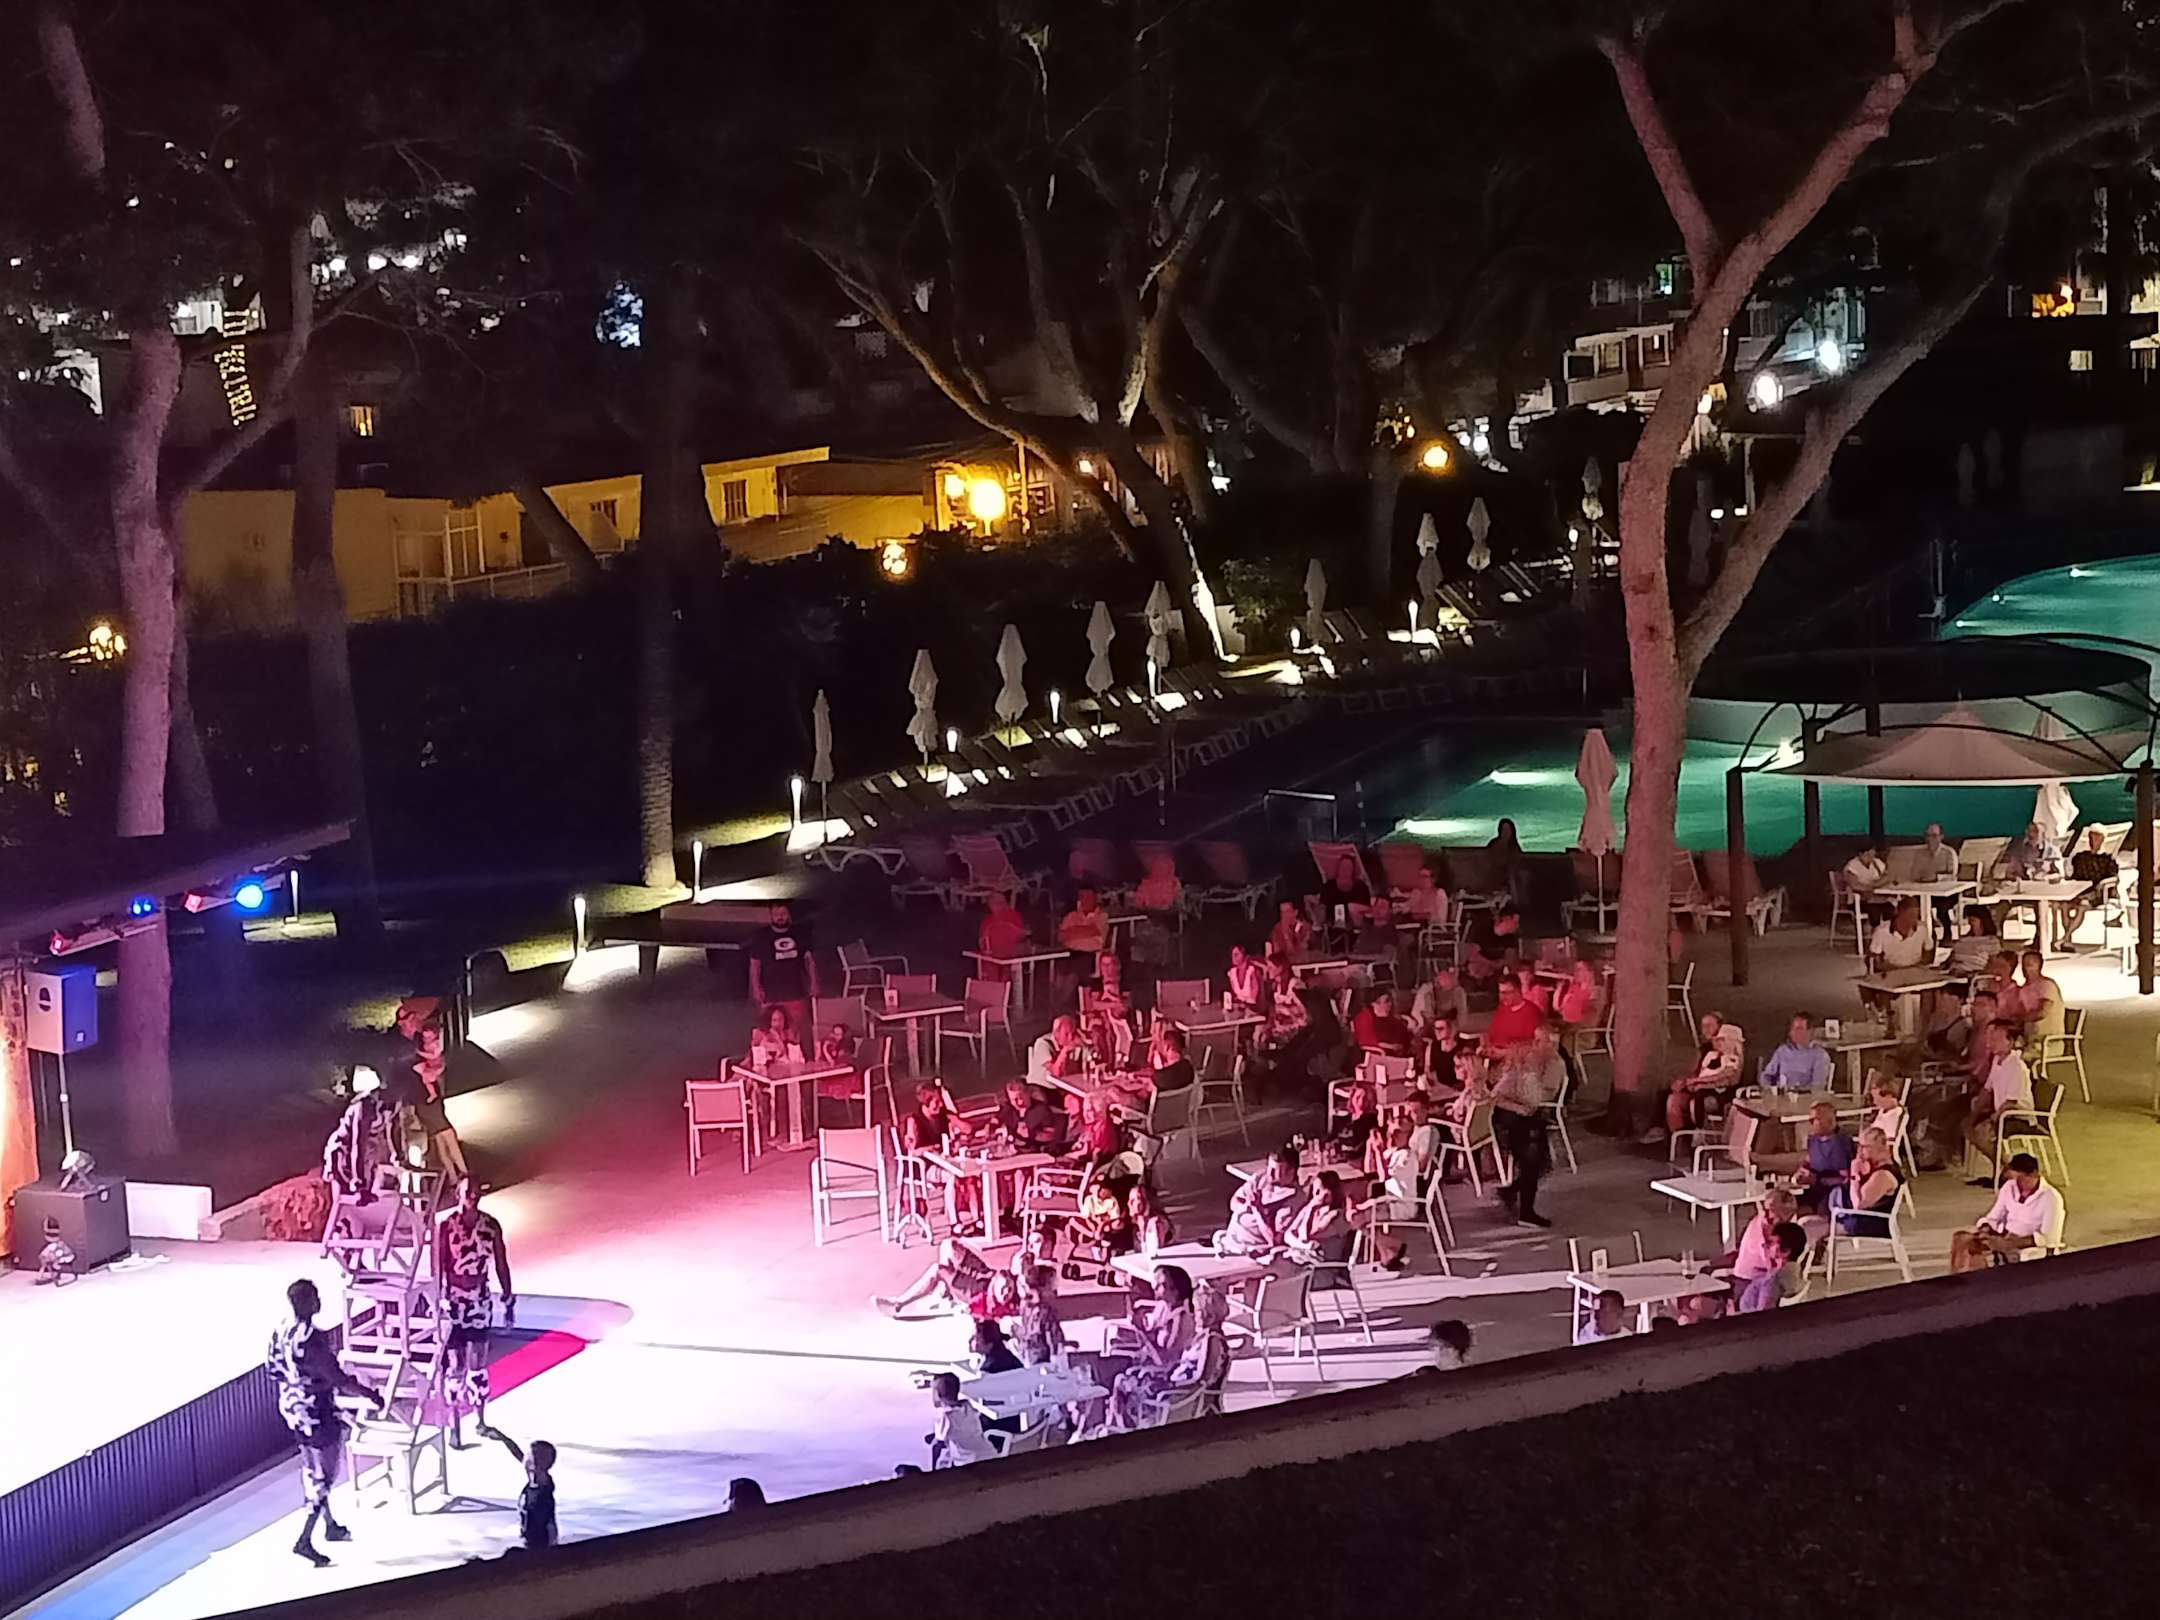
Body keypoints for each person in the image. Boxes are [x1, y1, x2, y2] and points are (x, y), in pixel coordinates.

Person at [269, 1277, 380, 1567]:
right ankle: (304, 1539)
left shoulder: (281, 1330)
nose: (319, 1301)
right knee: (325, 1475)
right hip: (316, 1411)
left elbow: (273, 1370)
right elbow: (338, 1378)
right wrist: (370, 1394)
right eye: (315, 1297)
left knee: (312, 1467)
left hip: (292, 1408)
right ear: (307, 1302)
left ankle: (329, 1525)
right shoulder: (313, 1339)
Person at [438, 1177, 515, 1448]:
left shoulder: (490, 1225)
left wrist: (508, 1296)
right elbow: (440, 1265)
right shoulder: (446, 1226)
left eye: (476, 1190)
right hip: (454, 1301)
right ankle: (454, 1423)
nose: (472, 1195)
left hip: (480, 1300)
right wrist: (438, 1300)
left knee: (478, 1364)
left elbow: (501, 1263)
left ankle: (481, 1420)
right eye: (467, 1190)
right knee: (455, 1365)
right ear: (457, 1193)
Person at [1107, 1272, 1225, 1431]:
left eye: (1196, 1311)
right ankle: (1117, 1424)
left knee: (1124, 1384)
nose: (1193, 1315)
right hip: (1175, 1385)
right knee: (1124, 1381)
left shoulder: (1211, 1341)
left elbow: (1201, 1379)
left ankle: (1119, 1427)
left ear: (1208, 1316)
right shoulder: (1206, 1338)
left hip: (1177, 1395)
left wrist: (1167, 1384)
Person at [1489, 1028, 1563, 1228]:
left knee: (1540, 1160)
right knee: (1532, 1156)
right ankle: (1525, 1211)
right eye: (1532, 1043)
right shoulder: (1520, 1069)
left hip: (1530, 1117)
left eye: (1537, 1042)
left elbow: (1539, 1098)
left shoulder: (1550, 1065)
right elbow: (1496, 1097)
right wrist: (1519, 1107)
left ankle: (1514, 1193)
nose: (1533, 1047)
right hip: (1509, 1122)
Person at [1950, 1153, 2066, 1271]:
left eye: (2021, 1179)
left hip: (2029, 1247)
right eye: (2015, 1179)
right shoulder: (2010, 1187)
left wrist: (2011, 1243)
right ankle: (1960, 1278)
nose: (2018, 1184)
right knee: (1962, 1239)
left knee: (1978, 1251)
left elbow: (2049, 1238)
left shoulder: (2051, 1198)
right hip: (2004, 1237)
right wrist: (1985, 1229)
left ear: (2034, 1174)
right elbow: (1994, 1217)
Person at [1965, 1018, 2032, 1178]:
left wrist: (1993, 1118)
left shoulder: (2017, 1067)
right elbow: (1987, 1089)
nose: (1991, 1042)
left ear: (2010, 1042)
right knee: (1967, 1127)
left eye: (1997, 1039)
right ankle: (2005, 1165)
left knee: (1982, 1132)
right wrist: (1973, 1114)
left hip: (2017, 1115)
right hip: (2001, 1112)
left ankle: (2006, 1168)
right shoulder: (1997, 1060)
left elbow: (2011, 1102)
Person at [1661, 1015, 1745, 1137]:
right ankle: (1677, 1138)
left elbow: (1727, 1077)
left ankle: (1697, 1131)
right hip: (1700, 1086)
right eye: (1703, 1026)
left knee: (1697, 1098)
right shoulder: (1708, 1051)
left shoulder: (1732, 1057)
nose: (1706, 1029)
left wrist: (1697, 1082)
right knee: (1671, 1098)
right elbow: (1698, 1071)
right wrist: (1686, 1082)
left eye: (1710, 1026)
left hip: (1718, 1092)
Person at [322, 1066, 396, 1205]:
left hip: (357, 1154)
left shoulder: (374, 1106)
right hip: (342, 1154)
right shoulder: (363, 1108)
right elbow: (357, 1144)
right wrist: (358, 1181)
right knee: (344, 1203)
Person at [874, 1237, 995, 1318]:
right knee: (948, 1245)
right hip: (987, 1275)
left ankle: (898, 1304)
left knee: (938, 1270)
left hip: (979, 1288)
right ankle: (945, 1294)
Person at [1218, 1146, 1301, 1255]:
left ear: (1290, 1172)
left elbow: (1274, 1240)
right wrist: (1246, 1207)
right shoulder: (1261, 1177)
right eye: (1269, 1167)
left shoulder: (1293, 1201)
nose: (1269, 1173)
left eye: (1275, 1170)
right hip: (1231, 1239)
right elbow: (1234, 1202)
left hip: (1250, 1248)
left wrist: (1257, 1210)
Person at [749, 902, 818, 1030]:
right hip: (771, 993)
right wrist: (756, 987)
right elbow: (755, 964)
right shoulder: (761, 936)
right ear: (771, 915)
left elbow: (810, 961)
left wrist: (814, 983)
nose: (780, 917)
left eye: (783, 913)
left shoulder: (801, 934)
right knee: (771, 1030)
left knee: (798, 1029)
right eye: (776, 914)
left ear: (788, 914)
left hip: (796, 991)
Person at [1721, 1187, 1801, 1288]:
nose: (1764, 1214)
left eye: (1771, 1211)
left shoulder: (1782, 1229)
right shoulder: (1762, 1228)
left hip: (1762, 1279)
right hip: (1747, 1279)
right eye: (1764, 1209)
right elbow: (1772, 1265)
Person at [1830, 1127, 1904, 1236]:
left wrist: (1855, 1175)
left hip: (1869, 1224)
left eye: (1864, 1147)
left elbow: (1858, 1204)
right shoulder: (1875, 1170)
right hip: (1856, 1219)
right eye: (1858, 1146)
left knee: (1813, 1228)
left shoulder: (1883, 1175)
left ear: (1879, 1148)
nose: (1859, 1151)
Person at [1789, 1101, 1857, 1217]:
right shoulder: (1813, 1140)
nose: (1810, 1124)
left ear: (1828, 1121)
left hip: (1832, 1197)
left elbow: (1845, 1179)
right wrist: (1801, 1172)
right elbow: (1809, 1160)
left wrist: (1816, 1180)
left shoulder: (1840, 1144)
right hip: (1812, 1190)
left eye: (1813, 1120)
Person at [925, 1372, 1000, 1466]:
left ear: (937, 1395)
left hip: (969, 1462)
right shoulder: (968, 1406)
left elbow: (938, 1444)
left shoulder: (946, 1417)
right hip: (989, 1453)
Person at [2062, 825, 2119, 937]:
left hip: (2097, 893)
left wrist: (2101, 885)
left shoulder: (2108, 859)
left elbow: (2114, 878)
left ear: (2103, 839)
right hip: (2079, 891)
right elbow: (2074, 876)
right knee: (2064, 905)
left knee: (2082, 906)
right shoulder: (2080, 857)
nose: (2094, 840)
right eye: (2092, 837)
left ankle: (2065, 938)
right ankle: (2066, 939)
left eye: (2097, 837)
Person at [1736, 1223, 1808, 1311]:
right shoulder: (1795, 1270)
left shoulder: (1773, 1279)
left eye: (1771, 1243)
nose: (1766, 1246)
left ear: (1786, 1251)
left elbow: (1764, 1311)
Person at [1760, 1014, 1831, 1091]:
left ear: (1810, 1031)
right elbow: (1767, 1075)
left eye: (1799, 1029)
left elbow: (1817, 1087)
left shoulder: (1820, 1055)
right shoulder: (1782, 1051)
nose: (1793, 1032)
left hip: (1803, 1096)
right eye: (1792, 1028)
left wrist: (1795, 1091)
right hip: (1779, 1094)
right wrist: (1768, 1088)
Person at [1011, 1264, 1065, 1365]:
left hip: (1029, 1358)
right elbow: (1054, 1341)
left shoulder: (1026, 1308)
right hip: (1043, 1362)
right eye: (1052, 1286)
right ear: (1041, 1287)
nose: (1055, 1291)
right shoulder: (1045, 1312)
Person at [1461, 905, 1522, 985]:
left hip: (1491, 919)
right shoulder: (1498, 962)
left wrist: (1489, 963)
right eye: (1478, 972)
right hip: (1511, 927)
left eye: (1476, 971)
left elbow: (1473, 952)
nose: (1477, 971)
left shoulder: (1473, 953)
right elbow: (1511, 953)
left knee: (1499, 930)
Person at [2015, 950, 2066, 1046]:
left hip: (2047, 1042)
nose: (2026, 969)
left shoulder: (2047, 985)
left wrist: (2021, 1019)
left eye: (2030, 965)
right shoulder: (2024, 989)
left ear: (2039, 967)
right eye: (2024, 965)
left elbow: (2042, 1012)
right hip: (2029, 1039)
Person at [1026, 1014, 1089, 1088]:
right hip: (1041, 1087)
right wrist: (1064, 1051)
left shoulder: (1071, 1043)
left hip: (1059, 1088)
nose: (1070, 1037)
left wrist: (1084, 1044)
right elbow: (1055, 1073)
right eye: (1066, 1034)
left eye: (1072, 1033)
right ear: (1056, 1033)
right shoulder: (1043, 1043)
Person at [1868, 897, 1928, 973]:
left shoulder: (1922, 929)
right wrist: (1893, 969)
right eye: (1909, 915)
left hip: (1915, 971)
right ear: (1898, 913)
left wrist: (1921, 967)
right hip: (1891, 972)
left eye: (1915, 916)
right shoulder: (1881, 931)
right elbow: (1875, 961)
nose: (1912, 920)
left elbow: (1928, 951)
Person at [517, 1439, 558, 1549]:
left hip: (541, 1544)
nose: (529, 1458)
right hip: (531, 1542)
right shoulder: (533, 1479)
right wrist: (503, 1439)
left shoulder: (543, 1484)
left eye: (534, 1455)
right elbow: (520, 1457)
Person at [1484, 975, 1542, 1052]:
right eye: (1500, 993)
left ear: (1517, 991)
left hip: (1515, 1056)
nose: (1502, 997)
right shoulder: (1502, 1009)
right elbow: (1492, 1035)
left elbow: (1533, 1045)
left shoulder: (1531, 1012)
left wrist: (1504, 1052)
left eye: (1506, 993)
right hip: (1494, 1054)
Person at [977, 891, 1031, 974]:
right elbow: (982, 942)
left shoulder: (1014, 915)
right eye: (993, 901)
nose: (997, 904)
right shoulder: (986, 921)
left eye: (1000, 901)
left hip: (1012, 956)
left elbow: (1023, 935)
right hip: (992, 957)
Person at [1351, 987, 1414, 1057]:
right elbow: (1369, 1043)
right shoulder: (1366, 1020)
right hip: (1381, 1057)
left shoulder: (1396, 1021)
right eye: (1386, 1001)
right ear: (1374, 1003)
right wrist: (1392, 1047)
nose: (1390, 1004)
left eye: (1390, 1001)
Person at [1330, 1080, 1382, 1161]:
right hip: (1341, 1160)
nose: (1360, 1101)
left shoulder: (1369, 1120)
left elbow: (1360, 1144)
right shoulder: (1344, 1119)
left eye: (1364, 1098)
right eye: (1357, 1097)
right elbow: (1334, 1138)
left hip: (1359, 1160)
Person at [1943, 906, 2002, 978]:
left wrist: (1971, 974)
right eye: (1969, 920)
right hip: (1952, 974)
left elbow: (1992, 965)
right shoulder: (1964, 940)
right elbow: (1950, 959)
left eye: (1973, 920)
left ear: (1983, 922)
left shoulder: (1991, 941)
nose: (1970, 923)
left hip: (1972, 976)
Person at [1410, 964, 1470, 1034]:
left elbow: (1462, 1015)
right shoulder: (1428, 991)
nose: (1440, 979)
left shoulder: (1459, 992)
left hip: (1450, 1027)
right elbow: (1426, 1015)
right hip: (1431, 1026)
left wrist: (1454, 1028)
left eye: (1446, 976)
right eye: (1440, 976)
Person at [1318, 854, 1373, 928]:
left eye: (1348, 867)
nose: (1344, 869)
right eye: (1342, 866)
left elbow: (1368, 911)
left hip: (1355, 927)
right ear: (1338, 868)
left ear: (1353, 870)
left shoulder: (1361, 887)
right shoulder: (1329, 886)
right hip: (1332, 927)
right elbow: (1322, 909)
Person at [747, 1004, 803, 1070]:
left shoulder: (791, 1039)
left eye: (781, 1019)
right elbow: (760, 1063)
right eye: (774, 1020)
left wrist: (779, 1040)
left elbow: (797, 1062)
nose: (778, 1023)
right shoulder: (764, 1040)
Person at [1059, 888, 1110, 956]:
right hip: (1070, 956)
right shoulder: (1070, 916)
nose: (1085, 900)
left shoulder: (1102, 916)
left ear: (1095, 898)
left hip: (1093, 956)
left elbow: (1093, 930)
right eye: (1082, 897)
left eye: (1088, 897)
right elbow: (1061, 936)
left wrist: (1072, 930)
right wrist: (1084, 930)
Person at [1127, 1182, 1174, 1255]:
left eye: (1138, 1198)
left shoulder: (1157, 1223)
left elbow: (1156, 1253)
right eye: (1131, 1200)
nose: (1130, 1203)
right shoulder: (1136, 1227)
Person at [1225, 943, 1265, 1012]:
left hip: (1254, 1010)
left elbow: (1256, 996)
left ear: (1245, 956)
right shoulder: (1232, 973)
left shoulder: (1253, 971)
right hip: (1240, 1009)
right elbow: (1234, 996)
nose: (1233, 957)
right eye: (1232, 955)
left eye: (1236, 955)